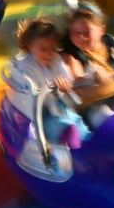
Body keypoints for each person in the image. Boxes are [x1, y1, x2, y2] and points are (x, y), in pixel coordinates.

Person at [8, 17, 89, 148]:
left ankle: (85, 146)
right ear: (30, 47)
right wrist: (50, 88)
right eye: (43, 48)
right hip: (40, 115)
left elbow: (67, 83)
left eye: (52, 48)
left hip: (59, 108)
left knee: (80, 126)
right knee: (69, 129)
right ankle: (73, 156)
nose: (48, 53)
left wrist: (65, 86)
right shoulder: (26, 67)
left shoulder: (56, 59)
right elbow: (30, 93)